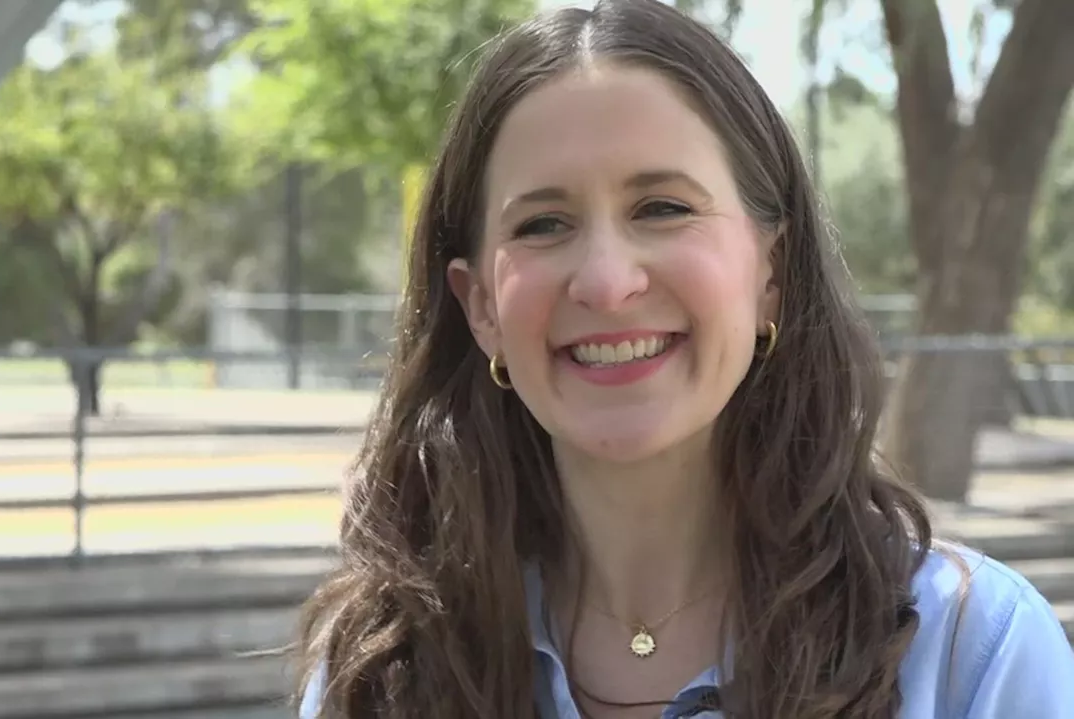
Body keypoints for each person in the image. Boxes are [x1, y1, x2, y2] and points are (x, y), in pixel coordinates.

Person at [293, 1, 1074, 717]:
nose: (605, 281)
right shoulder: (383, 667)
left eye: (661, 208)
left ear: (772, 272)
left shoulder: (973, 653)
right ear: (482, 307)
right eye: (543, 224)